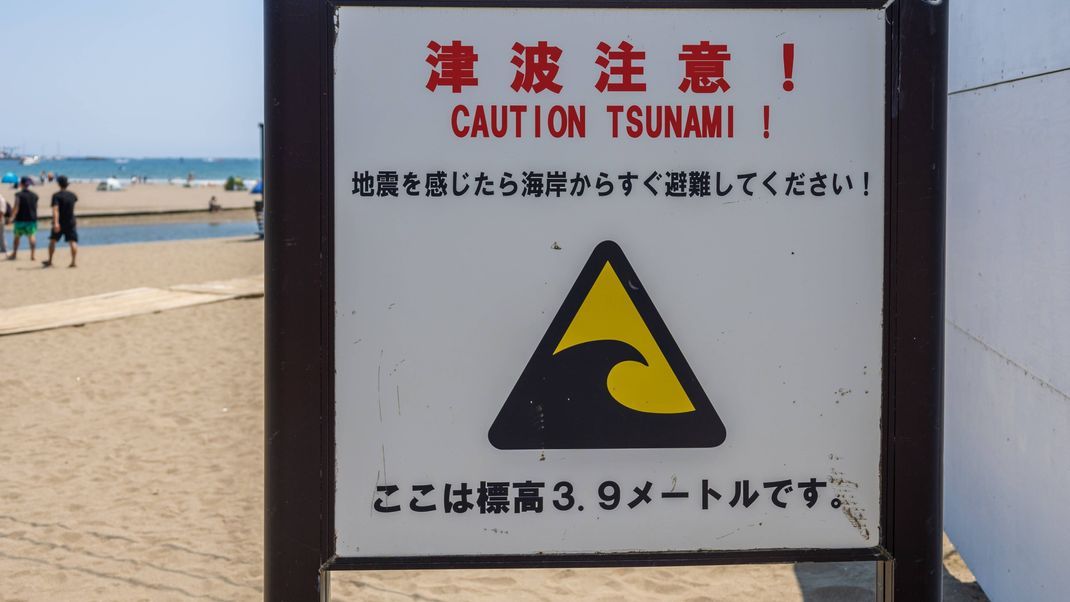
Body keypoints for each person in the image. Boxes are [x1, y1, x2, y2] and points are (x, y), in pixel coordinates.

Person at [43, 175, 78, 268]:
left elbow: (55, 209)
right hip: (71, 220)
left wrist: (56, 222)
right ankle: (73, 262)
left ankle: (50, 261)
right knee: (72, 241)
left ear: (59, 184)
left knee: (53, 240)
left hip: (60, 221)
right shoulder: (72, 195)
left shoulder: (56, 196)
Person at [8, 177, 38, 261]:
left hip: (20, 219)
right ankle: (33, 255)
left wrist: (12, 217)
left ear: (21, 184)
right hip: (31, 219)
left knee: (17, 237)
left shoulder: (18, 195)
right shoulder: (34, 195)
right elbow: (35, 207)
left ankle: (14, 254)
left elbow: (16, 207)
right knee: (31, 236)